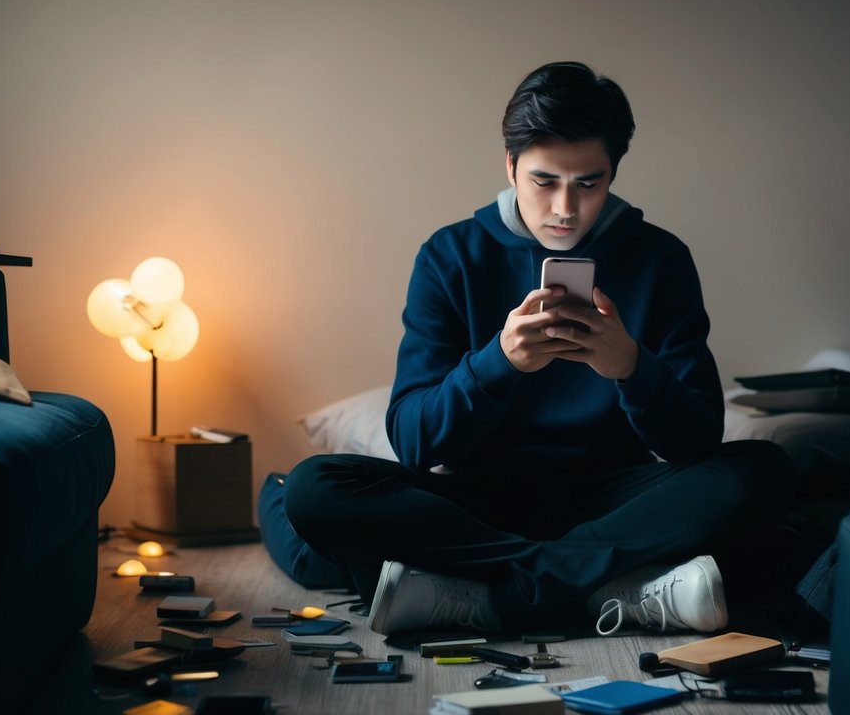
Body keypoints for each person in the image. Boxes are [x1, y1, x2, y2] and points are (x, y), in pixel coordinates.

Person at [285, 61, 796, 637]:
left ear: (613, 173)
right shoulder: (450, 256)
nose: (564, 209)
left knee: (762, 469)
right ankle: (597, 585)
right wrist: (497, 365)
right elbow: (413, 440)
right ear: (509, 166)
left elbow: (698, 442)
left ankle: (498, 597)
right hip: (479, 502)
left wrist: (630, 368)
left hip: (614, 500)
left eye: (588, 184)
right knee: (312, 489)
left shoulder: (661, 259)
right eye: (543, 181)